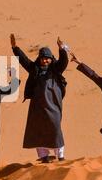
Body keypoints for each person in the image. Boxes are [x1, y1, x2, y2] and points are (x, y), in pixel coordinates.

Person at [11, 34, 69, 163]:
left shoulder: (55, 69)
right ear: (39, 59)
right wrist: (15, 48)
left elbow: (64, 62)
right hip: (37, 106)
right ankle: (44, 156)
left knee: (55, 127)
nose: (45, 61)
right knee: (38, 129)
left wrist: (61, 49)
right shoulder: (34, 69)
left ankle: (60, 155)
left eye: (48, 59)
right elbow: (24, 60)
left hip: (53, 105)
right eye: (43, 58)